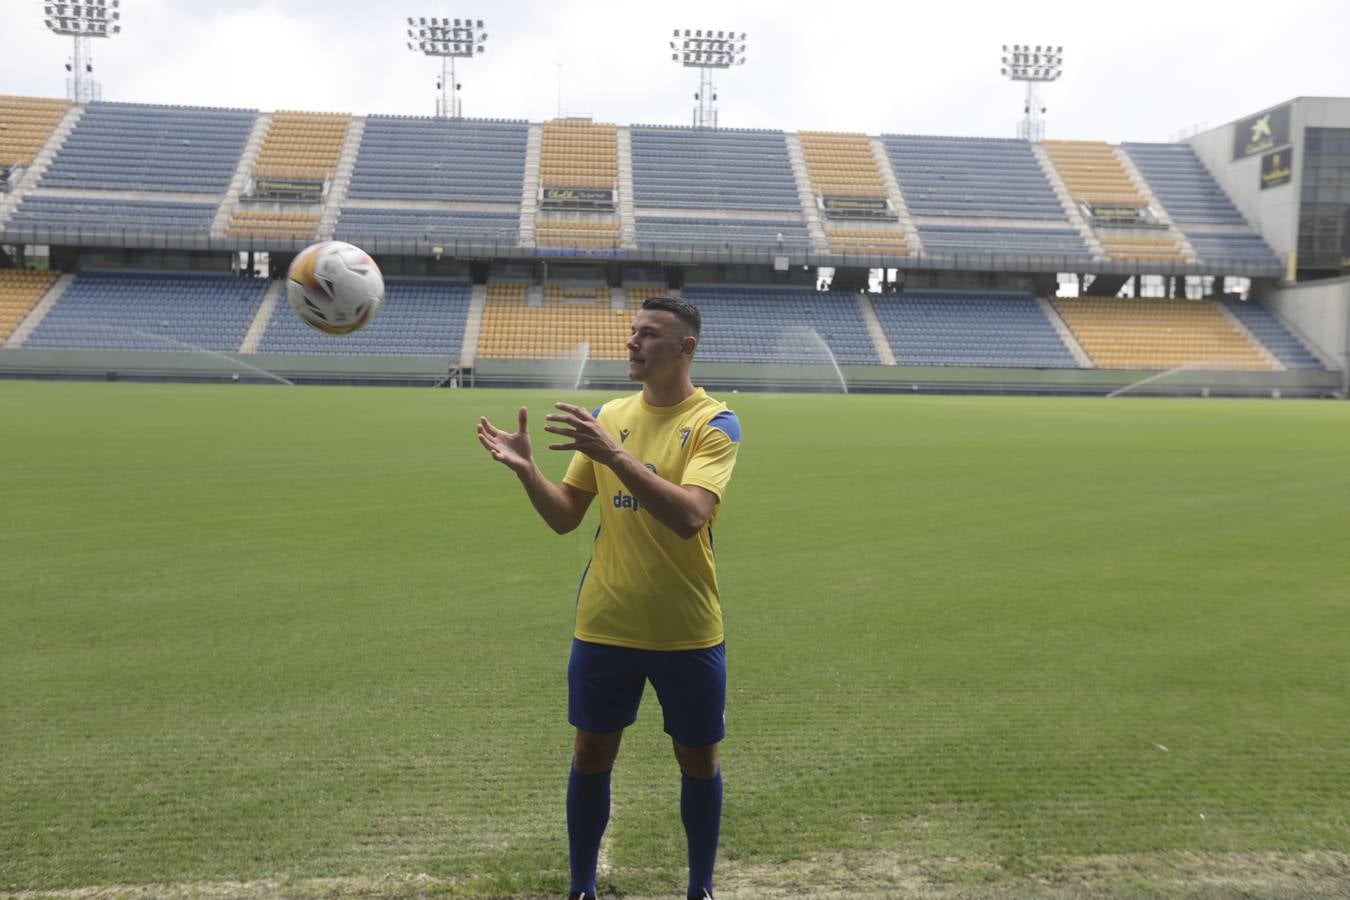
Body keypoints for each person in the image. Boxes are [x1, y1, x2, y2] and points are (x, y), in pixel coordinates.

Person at [476, 296, 742, 900]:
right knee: (592, 749)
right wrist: (528, 473)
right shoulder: (609, 414)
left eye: (648, 335)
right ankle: (581, 887)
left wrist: (616, 455)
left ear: (685, 349)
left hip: (686, 628)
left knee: (698, 761)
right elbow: (567, 516)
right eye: (632, 333)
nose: (632, 343)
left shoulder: (714, 424)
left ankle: (700, 888)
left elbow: (690, 518)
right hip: (606, 623)